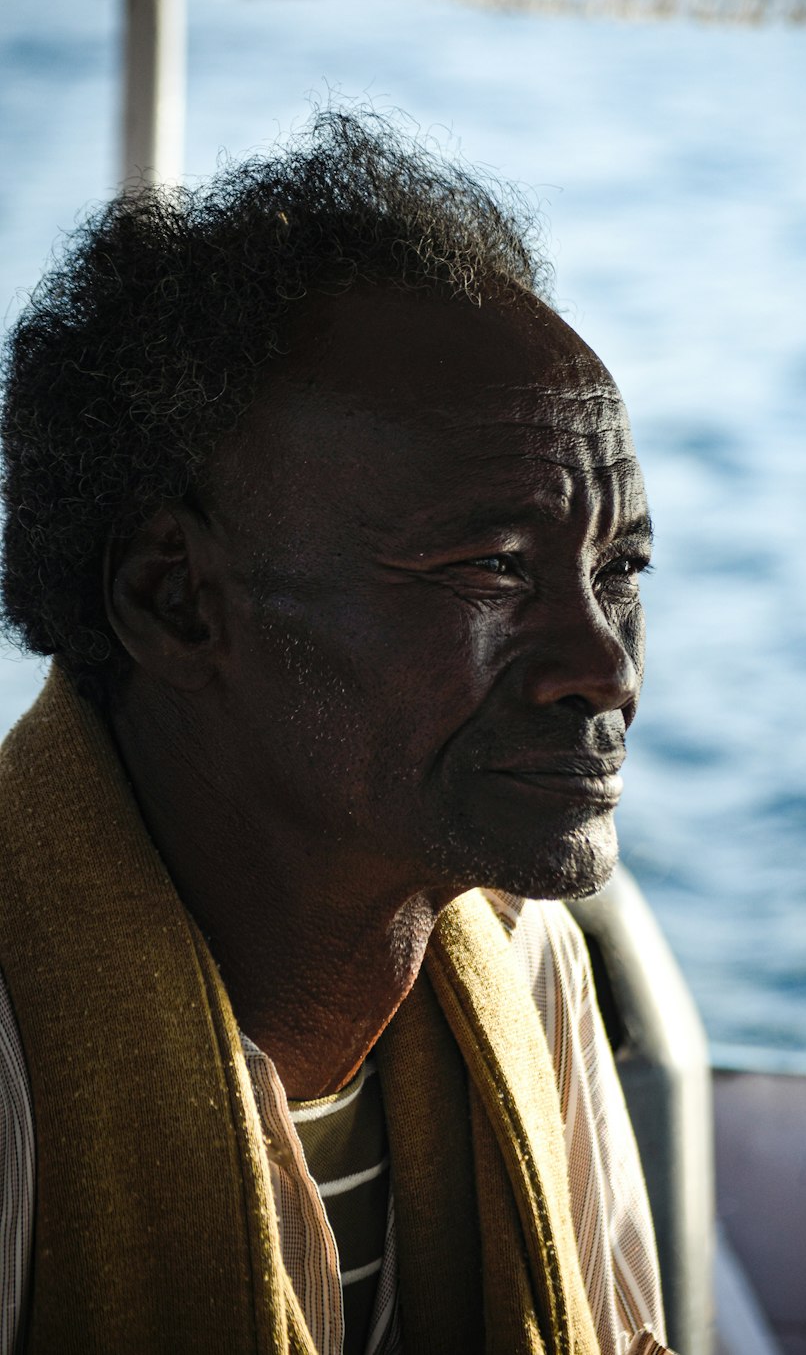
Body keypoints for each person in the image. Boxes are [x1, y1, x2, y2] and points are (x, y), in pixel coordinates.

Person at [0, 110, 670, 1355]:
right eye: (490, 569)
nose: (602, 667)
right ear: (177, 601)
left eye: (617, 568)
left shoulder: (523, 968)